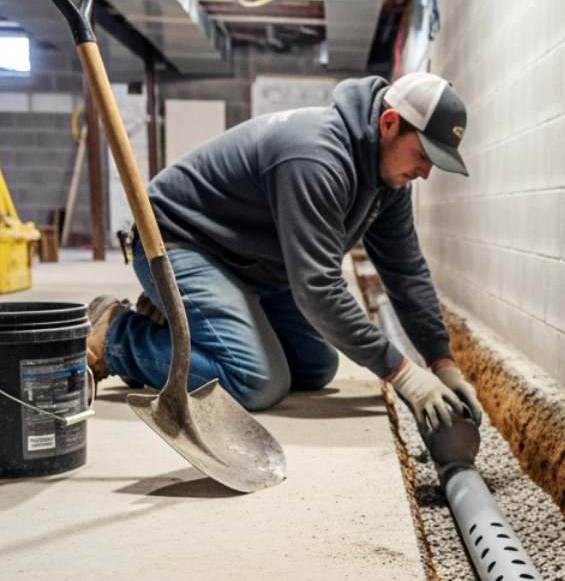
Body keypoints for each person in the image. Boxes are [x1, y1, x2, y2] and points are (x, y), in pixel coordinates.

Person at [85, 71, 482, 431]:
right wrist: (405, 376)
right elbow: (317, 290)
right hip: (177, 243)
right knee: (256, 381)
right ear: (389, 123)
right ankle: (118, 336)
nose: (426, 172)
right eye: (424, 155)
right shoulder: (315, 156)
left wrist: (441, 363)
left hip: (248, 264)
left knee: (316, 366)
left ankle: (177, 327)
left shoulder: (388, 182)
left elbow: (406, 273)